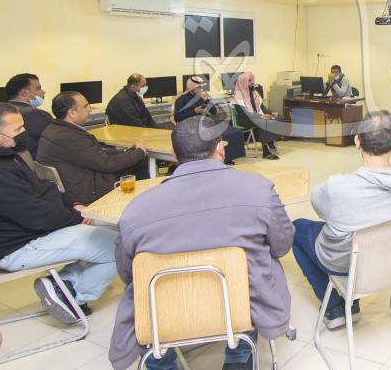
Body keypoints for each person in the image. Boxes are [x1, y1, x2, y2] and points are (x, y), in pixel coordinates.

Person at [109, 117, 295, 370]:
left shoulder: (135, 211)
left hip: (165, 312)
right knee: (261, 261)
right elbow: (282, 245)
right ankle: (240, 356)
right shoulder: (258, 190)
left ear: (174, 154)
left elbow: (127, 274)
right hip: (239, 303)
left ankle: (163, 364)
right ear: (220, 147)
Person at [291, 110, 391, 329]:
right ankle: (349, 302)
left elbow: (319, 206)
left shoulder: (338, 187)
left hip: (348, 261)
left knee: (296, 229)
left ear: (357, 141)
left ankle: (334, 307)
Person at [0, 103, 118, 324]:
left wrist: (74, 204)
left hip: (36, 231)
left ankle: (62, 284)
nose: (24, 133)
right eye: (17, 129)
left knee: (116, 228)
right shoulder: (1, 171)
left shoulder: (8, 156)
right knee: (123, 247)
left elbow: (46, 188)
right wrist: (77, 217)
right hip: (18, 246)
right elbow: (36, 215)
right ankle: (74, 297)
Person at [37, 92, 148, 205]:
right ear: (72, 113)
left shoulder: (53, 129)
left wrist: (126, 152)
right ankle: (142, 203)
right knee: (140, 160)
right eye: (85, 106)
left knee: (132, 157)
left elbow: (95, 154)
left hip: (76, 184)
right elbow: (106, 164)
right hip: (88, 192)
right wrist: (139, 152)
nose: (89, 109)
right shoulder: (70, 137)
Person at [172, 75, 246, 164]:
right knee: (221, 134)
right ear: (192, 88)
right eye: (199, 87)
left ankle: (227, 158)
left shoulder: (200, 97)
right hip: (191, 128)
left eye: (201, 87)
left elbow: (214, 112)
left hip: (204, 124)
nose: (201, 89)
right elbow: (177, 117)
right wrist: (194, 111)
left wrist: (208, 100)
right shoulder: (181, 100)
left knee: (233, 132)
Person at [232, 71, 280, 160]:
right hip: (246, 119)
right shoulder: (238, 96)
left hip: (257, 117)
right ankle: (266, 151)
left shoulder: (254, 93)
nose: (252, 82)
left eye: (252, 80)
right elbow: (245, 114)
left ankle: (270, 144)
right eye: (249, 81)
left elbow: (262, 108)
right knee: (263, 122)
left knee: (277, 118)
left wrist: (271, 113)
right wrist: (261, 116)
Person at [5, 72, 52, 157]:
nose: (43, 92)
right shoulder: (36, 114)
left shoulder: (2, 111)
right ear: (24, 93)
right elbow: (59, 137)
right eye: (38, 88)